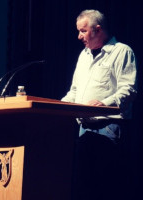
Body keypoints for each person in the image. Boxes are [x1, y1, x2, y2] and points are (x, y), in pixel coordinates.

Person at [62, 10, 137, 200]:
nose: (79, 36)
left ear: (98, 29)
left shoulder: (122, 51)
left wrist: (103, 103)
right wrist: (57, 107)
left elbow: (128, 89)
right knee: (84, 187)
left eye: (83, 31)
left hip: (108, 127)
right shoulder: (83, 55)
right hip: (83, 129)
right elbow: (75, 91)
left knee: (106, 186)